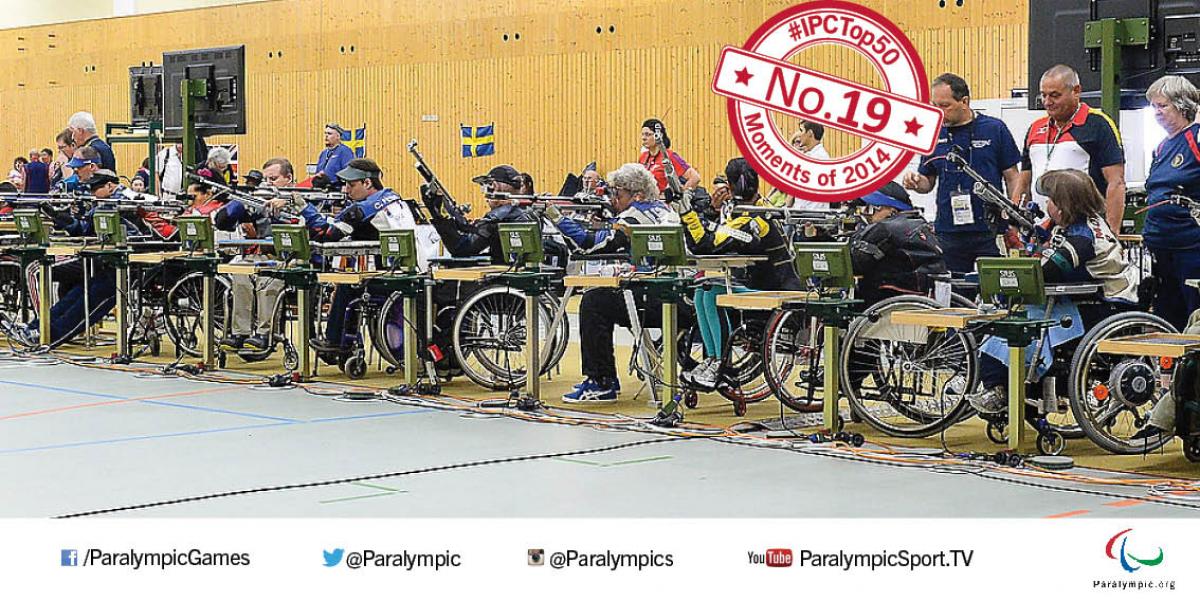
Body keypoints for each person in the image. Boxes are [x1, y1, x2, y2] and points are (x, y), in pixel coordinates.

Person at [967, 169, 1137, 413]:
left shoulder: (1083, 238)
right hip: (1088, 299)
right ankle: (1002, 385)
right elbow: (1043, 241)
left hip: (1105, 307)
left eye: (1050, 200)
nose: (1046, 205)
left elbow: (1044, 273)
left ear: (1064, 205)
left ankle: (1001, 385)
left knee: (1017, 323)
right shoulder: (1081, 224)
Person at [674, 158, 803, 389]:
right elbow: (718, 238)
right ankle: (713, 359)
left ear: (730, 187)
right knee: (703, 291)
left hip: (776, 291)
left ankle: (720, 363)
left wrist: (687, 212)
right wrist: (713, 212)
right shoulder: (747, 209)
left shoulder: (755, 216)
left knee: (712, 292)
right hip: (757, 284)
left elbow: (706, 244)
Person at [557, 163, 681, 403]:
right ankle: (604, 377)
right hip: (676, 293)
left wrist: (557, 218)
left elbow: (589, 245)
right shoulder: (665, 209)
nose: (613, 198)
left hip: (657, 298)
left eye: (618, 194)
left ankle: (601, 381)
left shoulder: (632, 216)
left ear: (638, 195)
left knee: (594, 302)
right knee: (604, 297)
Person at [902, 72, 1022, 274]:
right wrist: (915, 182)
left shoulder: (994, 129)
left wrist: (1015, 219)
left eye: (945, 106)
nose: (939, 112)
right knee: (953, 289)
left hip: (990, 230)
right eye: (935, 105)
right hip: (949, 231)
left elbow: (1013, 177)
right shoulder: (933, 134)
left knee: (997, 288)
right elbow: (927, 182)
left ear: (964, 101)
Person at [302, 158, 421, 358]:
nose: (346, 190)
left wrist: (303, 208)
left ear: (367, 183)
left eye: (351, 184)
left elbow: (325, 234)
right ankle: (347, 342)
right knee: (353, 282)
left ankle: (336, 342)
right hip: (412, 271)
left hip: (394, 278)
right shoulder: (394, 197)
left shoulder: (364, 207)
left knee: (348, 286)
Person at [1013, 64, 1125, 233]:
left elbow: (1116, 182)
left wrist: (1112, 233)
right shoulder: (1035, 128)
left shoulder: (1098, 124)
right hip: (1042, 228)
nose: (1047, 102)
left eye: (1055, 96)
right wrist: (1016, 224)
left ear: (1076, 91)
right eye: (1043, 95)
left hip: (1086, 229)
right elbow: (1023, 182)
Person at [213, 158, 296, 352]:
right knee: (241, 273)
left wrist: (288, 201)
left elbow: (309, 211)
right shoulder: (261, 200)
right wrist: (239, 203)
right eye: (265, 180)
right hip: (263, 255)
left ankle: (265, 334)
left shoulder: (300, 197)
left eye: (273, 179)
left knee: (266, 281)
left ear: (288, 178)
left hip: (291, 258)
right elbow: (223, 221)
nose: (268, 184)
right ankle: (240, 333)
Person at [1139, 75, 1200, 330]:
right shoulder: (1162, 148)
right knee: (1166, 317)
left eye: (1162, 106)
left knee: (1194, 314)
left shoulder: (1195, 138)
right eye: (1153, 107)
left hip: (1191, 246)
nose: (1157, 112)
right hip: (1160, 246)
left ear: (1182, 105)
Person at [848, 182, 946, 306]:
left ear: (892, 210)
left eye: (872, 208)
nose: (867, 214)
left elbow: (853, 263)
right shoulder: (920, 224)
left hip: (889, 304)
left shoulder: (884, 228)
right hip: (926, 297)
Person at [424, 164, 535, 264]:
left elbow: (461, 248)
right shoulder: (523, 210)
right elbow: (472, 229)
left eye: (488, 186)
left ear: (495, 187)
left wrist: (437, 214)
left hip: (506, 281)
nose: (485, 194)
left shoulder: (499, 216)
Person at [766, 121, 831, 210]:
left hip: (812, 214)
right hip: (803, 212)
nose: (799, 134)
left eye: (801, 130)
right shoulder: (810, 155)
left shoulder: (819, 158)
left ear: (810, 133)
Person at [638, 118, 700, 195]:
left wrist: (680, 196)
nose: (643, 138)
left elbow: (695, 177)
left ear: (659, 135)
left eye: (648, 134)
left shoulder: (669, 156)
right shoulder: (643, 157)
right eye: (643, 134)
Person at [313, 123, 355, 189]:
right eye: (325, 133)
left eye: (329, 134)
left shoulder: (345, 151)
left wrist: (345, 186)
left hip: (336, 189)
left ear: (338, 136)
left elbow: (349, 172)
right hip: (321, 190)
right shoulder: (323, 153)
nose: (326, 136)